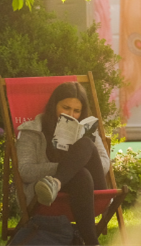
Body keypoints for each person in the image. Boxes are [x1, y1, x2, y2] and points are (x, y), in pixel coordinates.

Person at [15, 82, 110, 246]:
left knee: (86, 144)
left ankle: (56, 183)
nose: (71, 115)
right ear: (54, 106)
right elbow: (25, 171)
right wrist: (67, 168)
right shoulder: (32, 131)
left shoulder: (87, 129)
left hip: (92, 189)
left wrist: (76, 161)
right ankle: (93, 243)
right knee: (81, 174)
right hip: (44, 195)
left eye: (77, 110)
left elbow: (104, 164)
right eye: (65, 108)